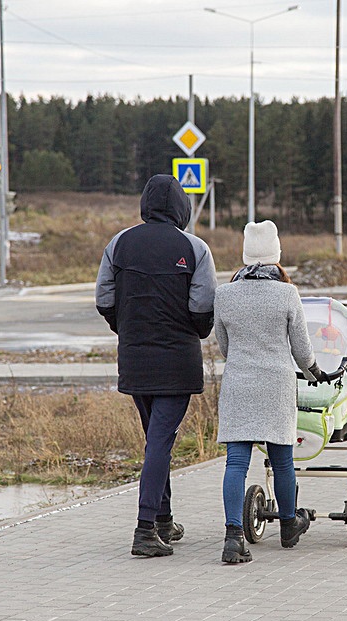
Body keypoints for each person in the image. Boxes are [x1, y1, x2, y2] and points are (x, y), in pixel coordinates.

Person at [95, 174, 218, 557]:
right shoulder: (195, 248)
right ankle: (145, 529)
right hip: (177, 362)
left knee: (156, 441)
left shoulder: (120, 243)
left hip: (134, 358)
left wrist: (126, 327)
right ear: (182, 207)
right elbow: (202, 307)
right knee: (160, 442)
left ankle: (163, 520)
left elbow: (103, 298)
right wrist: (193, 332)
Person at [213, 220, 329, 564]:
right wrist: (315, 372)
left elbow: (223, 346)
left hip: (238, 383)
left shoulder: (226, 293)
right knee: (282, 461)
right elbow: (302, 350)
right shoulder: (286, 293)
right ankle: (289, 525)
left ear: (246, 254)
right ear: (276, 255)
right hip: (276, 385)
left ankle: (233, 536)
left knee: (236, 461)